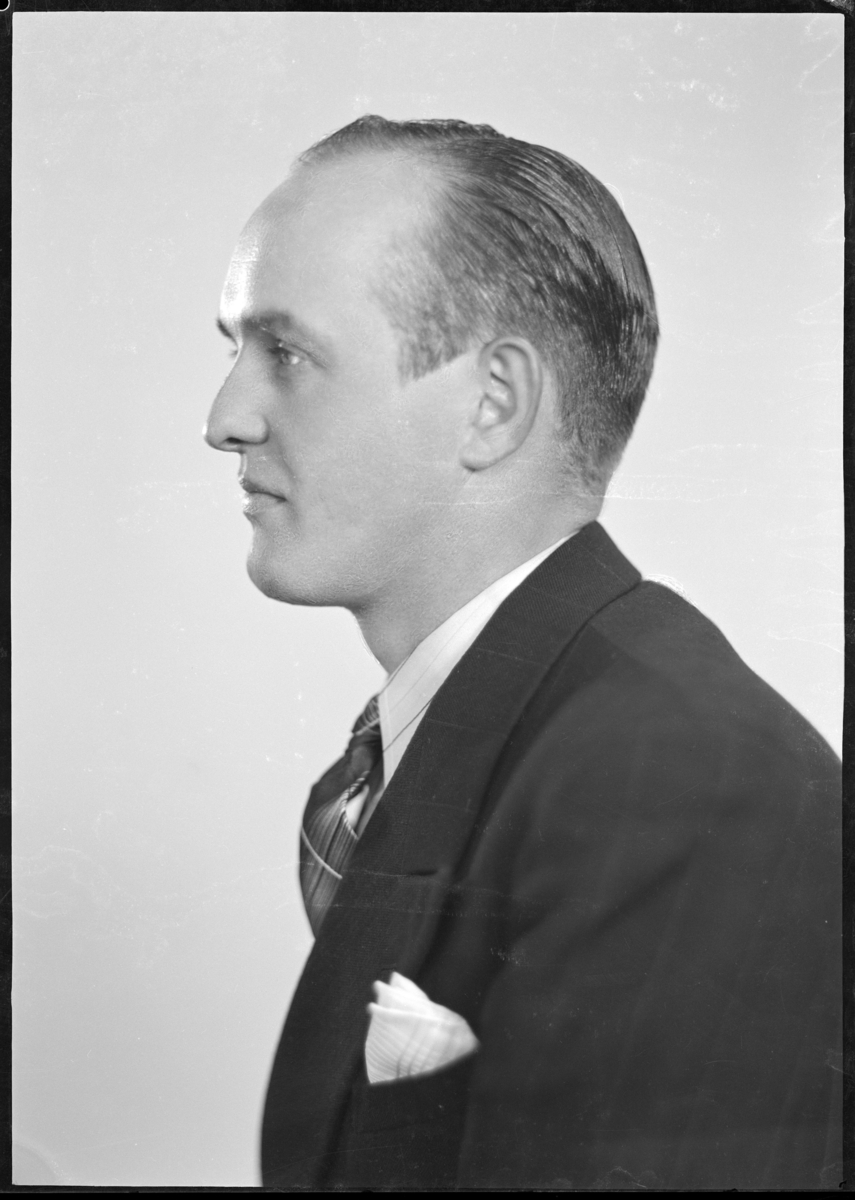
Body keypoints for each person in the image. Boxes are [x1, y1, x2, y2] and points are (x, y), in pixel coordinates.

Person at [204, 116, 841, 1191]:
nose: (225, 418)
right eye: (235, 351)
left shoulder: (679, 784)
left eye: (289, 354)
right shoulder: (554, 736)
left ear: (493, 405)